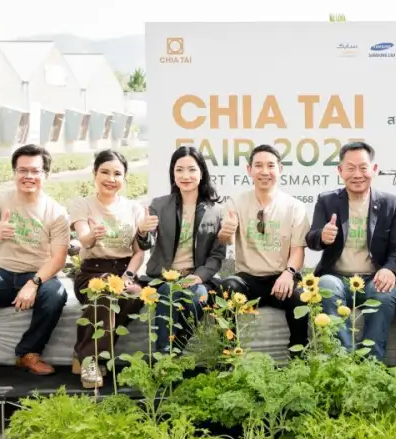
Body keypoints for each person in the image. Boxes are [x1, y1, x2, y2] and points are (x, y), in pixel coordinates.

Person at [0, 144, 70, 384]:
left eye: (35, 171)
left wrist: (34, 283)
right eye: (22, 170)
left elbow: (58, 258)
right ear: (14, 172)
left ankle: (29, 353)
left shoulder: (56, 212)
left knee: (56, 292)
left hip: (35, 274)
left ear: (46, 174)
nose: (28, 176)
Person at [306, 141, 396, 360]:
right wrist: (322, 236)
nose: (357, 174)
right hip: (337, 277)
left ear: (374, 169)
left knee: (385, 292)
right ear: (340, 171)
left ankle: (371, 361)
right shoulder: (327, 201)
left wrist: (390, 269)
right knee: (325, 286)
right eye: (350, 168)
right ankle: (344, 359)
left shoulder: (390, 203)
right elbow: (312, 239)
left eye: (363, 167)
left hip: (373, 277)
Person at [69, 150, 157, 388]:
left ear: (124, 177)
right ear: (94, 174)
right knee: (106, 293)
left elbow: (139, 252)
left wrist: (128, 275)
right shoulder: (82, 204)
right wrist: (92, 235)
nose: (111, 179)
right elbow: (83, 240)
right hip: (92, 272)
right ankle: (90, 361)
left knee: (135, 295)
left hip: (124, 272)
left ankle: (83, 355)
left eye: (117, 174)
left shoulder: (134, 208)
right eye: (105, 172)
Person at [219, 144, 309, 347]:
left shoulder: (294, 207)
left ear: (280, 169)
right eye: (258, 165)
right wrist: (225, 233)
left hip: (281, 278)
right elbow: (227, 241)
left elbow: (298, 250)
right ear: (249, 170)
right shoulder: (236, 203)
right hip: (248, 279)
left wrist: (289, 273)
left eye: (270, 165)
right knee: (227, 288)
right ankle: (228, 354)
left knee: (299, 296)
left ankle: (299, 356)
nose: (265, 171)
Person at [144, 146, 226, 353]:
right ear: (173, 173)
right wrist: (143, 231)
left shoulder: (216, 210)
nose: (185, 176)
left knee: (198, 296)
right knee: (168, 291)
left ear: (202, 172)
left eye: (192, 169)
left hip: (197, 278)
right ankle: (164, 355)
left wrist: (199, 276)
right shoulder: (159, 205)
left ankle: (174, 351)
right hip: (165, 277)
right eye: (179, 170)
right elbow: (147, 242)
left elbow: (217, 255)